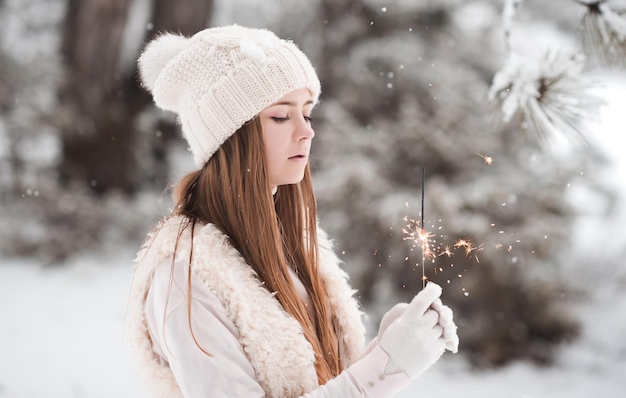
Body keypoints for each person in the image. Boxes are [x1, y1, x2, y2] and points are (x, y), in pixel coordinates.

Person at [126, 25, 459, 398]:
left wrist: (391, 350)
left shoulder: (290, 241)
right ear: (231, 137)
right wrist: (383, 368)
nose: (306, 132)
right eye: (281, 117)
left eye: (307, 113)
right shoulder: (186, 278)